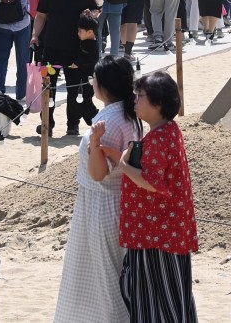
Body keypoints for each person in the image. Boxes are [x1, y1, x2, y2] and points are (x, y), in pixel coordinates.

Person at [54, 55, 140, 323]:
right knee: (112, 277)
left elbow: (98, 173)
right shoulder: (130, 114)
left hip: (101, 206)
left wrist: (94, 143)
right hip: (120, 202)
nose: (92, 81)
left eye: (95, 78)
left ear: (103, 85)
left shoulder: (109, 120)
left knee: (103, 281)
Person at [118, 71, 198, 323]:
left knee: (156, 298)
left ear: (158, 103)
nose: (135, 100)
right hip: (167, 231)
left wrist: (123, 165)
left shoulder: (158, 138)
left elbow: (152, 182)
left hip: (155, 234)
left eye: (140, 96)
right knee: (173, 295)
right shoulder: (170, 130)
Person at [33, 0, 101, 139]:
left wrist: (91, 14)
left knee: (74, 88)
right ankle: (47, 123)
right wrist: (35, 35)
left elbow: (96, 11)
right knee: (48, 87)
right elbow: (40, 16)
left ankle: (73, 123)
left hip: (76, 50)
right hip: (51, 47)